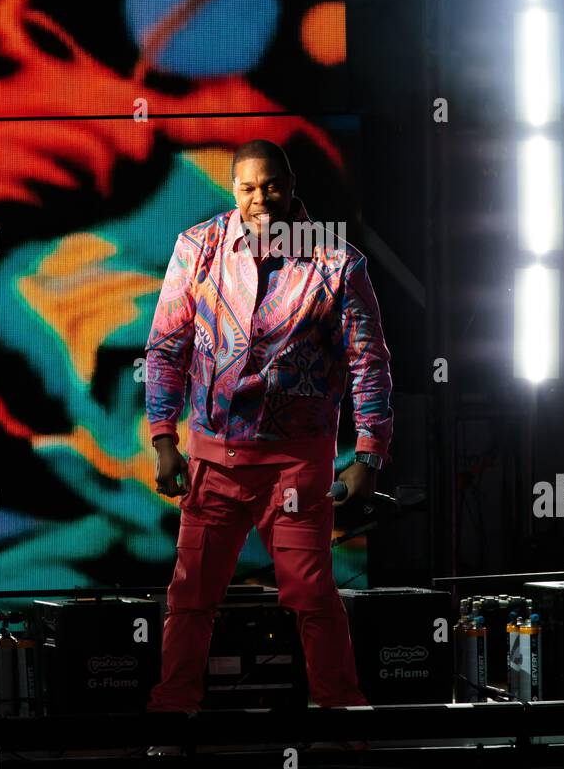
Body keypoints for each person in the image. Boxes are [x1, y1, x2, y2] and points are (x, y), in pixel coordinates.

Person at [143, 138, 393, 723]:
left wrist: (368, 455)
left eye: (271, 186)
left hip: (296, 465)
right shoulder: (197, 249)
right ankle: (172, 719)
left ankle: (342, 723)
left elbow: (369, 362)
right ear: (234, 190)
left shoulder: (337, 262)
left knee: (309, 594)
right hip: (213, 461)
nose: (260, 200)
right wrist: (163, 439)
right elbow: (165, 350)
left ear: (291, 184)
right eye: (247, 188)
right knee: (190, 596)